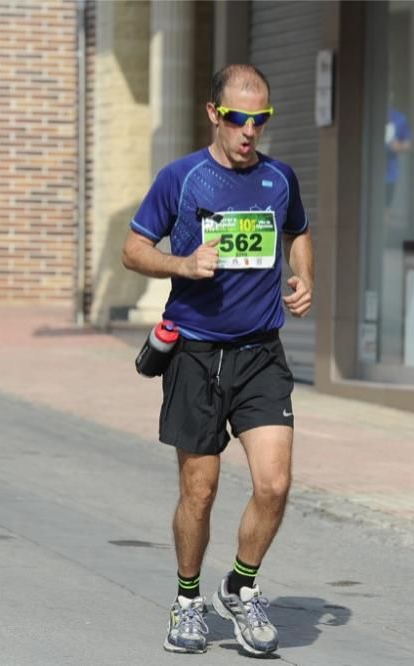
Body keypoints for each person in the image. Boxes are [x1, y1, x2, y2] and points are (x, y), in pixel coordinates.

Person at [121, 63, 313, 656]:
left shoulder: (280, 179)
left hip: (260, 354)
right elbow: (132, 250)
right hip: (197, 356)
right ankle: (187, 601)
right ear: (214, 114)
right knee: (199, 491)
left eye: (261, 119)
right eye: (238, 117)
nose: (249, 130)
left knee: (274, 484)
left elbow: (298, 231)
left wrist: (304, 277)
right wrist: (182, 265)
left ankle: (242, 586)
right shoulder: (182, 178)